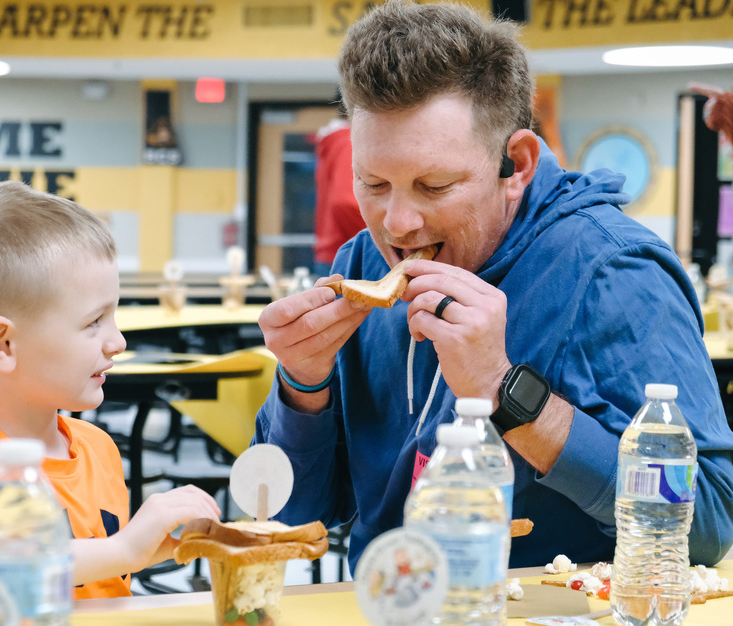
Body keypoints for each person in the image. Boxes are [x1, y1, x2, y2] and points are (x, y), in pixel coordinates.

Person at [254, 0, 733, 572]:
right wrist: (303, 387)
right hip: (384, 625)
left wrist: (508, 392)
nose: (398, 223)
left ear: (518, 164)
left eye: (434, 185)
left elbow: (706, 523)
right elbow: (289, 516)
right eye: (374, 183)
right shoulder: (362, 260)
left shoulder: (615, 271)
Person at [0, 181, 220, 611]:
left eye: (114, 316)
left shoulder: (98, 448)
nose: (117, 341)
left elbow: (90, 584)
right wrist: (122, 550)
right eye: (94, 322)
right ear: (3, 344)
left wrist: (147, 547)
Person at [313, 116, 367, 276]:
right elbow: (345, 201)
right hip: (348, 254)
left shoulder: (335, 142)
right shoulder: (348, 142)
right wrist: (377, 239)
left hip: (334, 252)